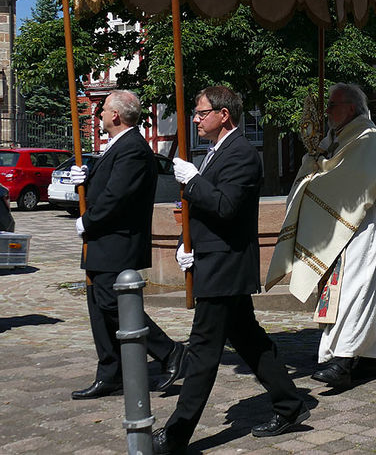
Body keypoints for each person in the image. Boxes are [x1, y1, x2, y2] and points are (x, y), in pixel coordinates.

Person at [152, 86, 308, 454]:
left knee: (203, 351)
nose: (195, 118)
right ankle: (290, 404)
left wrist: (192, 180)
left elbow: (224, 207)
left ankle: (175, 436)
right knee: (250, 341)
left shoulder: (242, 154)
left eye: (202, 112)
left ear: (224, 115)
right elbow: (198, 213)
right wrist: (182, 245)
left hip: (226, 266)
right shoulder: (213, 153)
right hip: (214, 260)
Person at [266, 83, 376, 389]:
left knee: (353, 288)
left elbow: (346, 180)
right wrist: (314, 159)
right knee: (342, 289)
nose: (327, 112)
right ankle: (370, 359)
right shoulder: (337, 136)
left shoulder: (367, 138)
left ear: (350, 108)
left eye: (332, 105)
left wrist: (317, 173)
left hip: (359, 227)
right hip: (335, 228)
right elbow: (320, 165)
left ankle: (342, 357)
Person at [69, 90, 185, 400]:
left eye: (104, 109)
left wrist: (88, 221)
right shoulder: (118, 146)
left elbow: (117, 197)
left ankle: (170, 352)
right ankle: (111, 372)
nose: (100, 114)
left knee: (112, 303)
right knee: (98, 306)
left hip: (117, 240)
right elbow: (108, 185)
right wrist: (87, 178)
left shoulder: (133, 148)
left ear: (117, 116)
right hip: (104, 242)